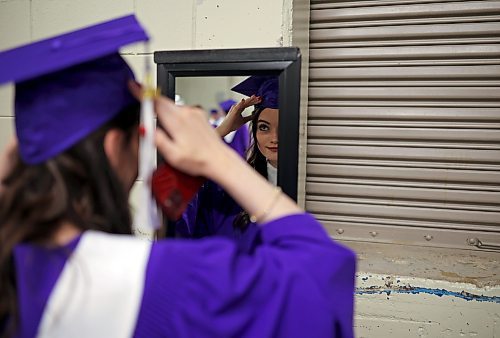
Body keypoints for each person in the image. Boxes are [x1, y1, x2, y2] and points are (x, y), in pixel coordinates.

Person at [0, 15, 356, 338]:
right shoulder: (164, 283)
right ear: (114, 149)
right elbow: (320, 280)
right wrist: (220, 156)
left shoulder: (12, 265)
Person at [174, 76, 279, 250]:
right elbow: (183, 175)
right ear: (254, 129)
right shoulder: (235, 187)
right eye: (264, 127)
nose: (274, 138)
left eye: (283, 126)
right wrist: (221, 131)